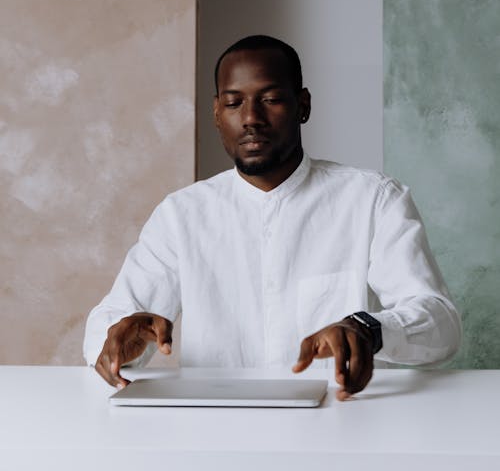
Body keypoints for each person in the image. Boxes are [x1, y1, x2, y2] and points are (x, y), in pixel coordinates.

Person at [84, 35, 461, 401]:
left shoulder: (373, 200)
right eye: (234, 103)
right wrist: (118, 339)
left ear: (303, 105)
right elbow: (109, 327)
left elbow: (441, 325)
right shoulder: (181, 215)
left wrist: (368, 328)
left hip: (339, 430)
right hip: (211, 434)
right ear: (217, 113)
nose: (251, 118)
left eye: (271, 99)